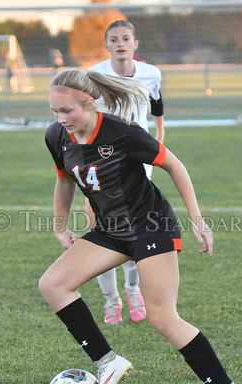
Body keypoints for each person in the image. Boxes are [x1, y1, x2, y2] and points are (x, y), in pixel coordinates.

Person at [39, 68, 242, 384]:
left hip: (152, 227)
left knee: (163, 317)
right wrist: (61, 225)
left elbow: (174, 165)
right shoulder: (57, 136)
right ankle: (109, 362)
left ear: (88, 103)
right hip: (111, 230)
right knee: (52, 284)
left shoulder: (121, 132)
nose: (61, 120)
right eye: (54, 112)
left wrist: (197, 219)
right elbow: (64, 180)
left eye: (67, 111)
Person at [88, 20, 165, 325]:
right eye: (114, 39)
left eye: (126, 38)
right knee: (101, 233)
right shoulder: (94, 75)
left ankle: (133, 290)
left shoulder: (151, 73)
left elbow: (157, 101)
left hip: (138, 163)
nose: (120, 43)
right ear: (106, 45)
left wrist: (160, 133)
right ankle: (112, 301)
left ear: (135, 43)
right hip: (101, 164)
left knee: (135, 231)